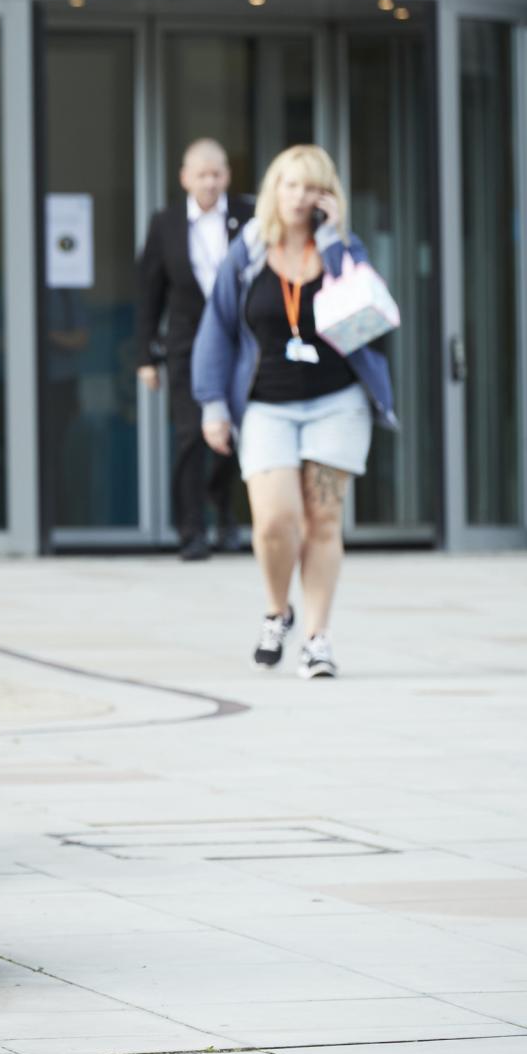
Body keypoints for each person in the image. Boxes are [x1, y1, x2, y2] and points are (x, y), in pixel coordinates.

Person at [193, 145, 394, 680]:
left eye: (311, 187)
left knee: (324, 520)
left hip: (337, 402)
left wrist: (331, 244)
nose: (299, 197)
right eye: (290, 186)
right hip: (267, 406)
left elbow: (371, 318)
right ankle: (277, 610)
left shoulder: (345, 249)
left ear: (327, 195)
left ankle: (316, 638)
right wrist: (213, 404)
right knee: (276, 522)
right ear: (273, 191)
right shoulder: (249, 252)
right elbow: (218, 329)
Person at [136, 138, 252, 560]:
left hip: (238, 343)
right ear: (185, 178)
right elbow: (149, 293)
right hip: (186, 344)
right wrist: (145, 357)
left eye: (216, 174)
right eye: (201, 174)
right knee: (190, 436)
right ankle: (191, 530)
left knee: (232, 434)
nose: (209, 182)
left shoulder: (247, 216)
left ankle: (224, 514)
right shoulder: (165, 223)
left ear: (227, 177)